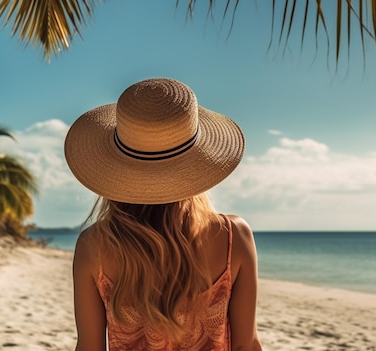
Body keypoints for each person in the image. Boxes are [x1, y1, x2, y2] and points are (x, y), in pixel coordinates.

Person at [64, 77, 263, 351]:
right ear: (198, 161)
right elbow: (247, 346)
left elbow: (89, 348)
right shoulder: (233, 236)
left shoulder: (93, 247)